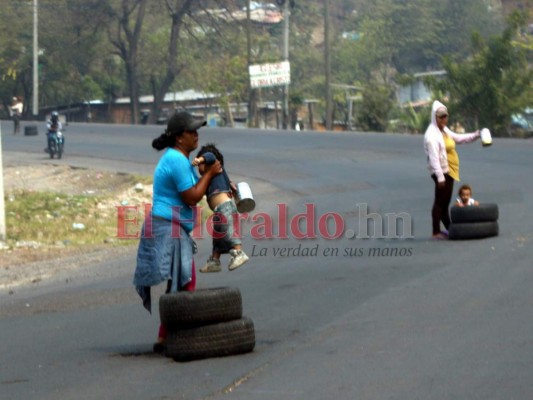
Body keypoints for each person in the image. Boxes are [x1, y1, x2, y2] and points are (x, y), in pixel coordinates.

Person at [133, 111, 222, 353]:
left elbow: (197, 188)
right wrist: (211, 174)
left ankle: (165, 335)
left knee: (180, 281)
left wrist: (216, 179)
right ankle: (171, 333)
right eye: (191, 132)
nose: (196, 136)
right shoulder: (176, 160)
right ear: (178, 137)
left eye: (197, 131)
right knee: (185, 280)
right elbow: (192, 197)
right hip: (166, 226)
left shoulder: (181, 159)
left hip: (171, 226)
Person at [424, 100, 480, 240]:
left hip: (449, 170)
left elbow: (459, 138)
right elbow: (434, 158)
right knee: (439, 201)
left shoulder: (444, 130)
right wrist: (440, 177)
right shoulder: (431, 136)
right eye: (440, 116)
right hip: (442, 172)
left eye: (445, 116)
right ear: (434, 117)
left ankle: (449, 229)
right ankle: (436, 231)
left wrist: (476, 135)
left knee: (445, 202)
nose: (444, 119)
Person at [192, 143, 249, 273]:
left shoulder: (216, 167)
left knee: (229, 231)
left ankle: (239, 252)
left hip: (225, 208)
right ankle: (215, 261)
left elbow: (210, 156)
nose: (199, 168)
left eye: (201, 164)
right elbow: (229, 183)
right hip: (219, 211)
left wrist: (199, 159)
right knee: (218, 238)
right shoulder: (210, 177)